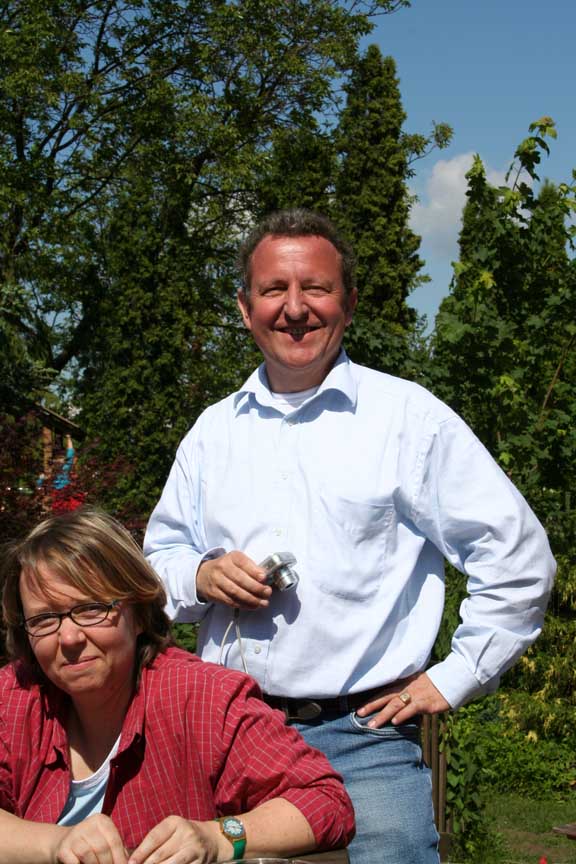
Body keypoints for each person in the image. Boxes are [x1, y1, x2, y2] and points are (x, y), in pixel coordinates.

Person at [144, 208, 556, 864]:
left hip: (363, 741)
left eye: (316, 287)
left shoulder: (408, 420)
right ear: (246, 308)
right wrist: (198, 574)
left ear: (350, 302)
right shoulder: (212, 434)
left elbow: (517, 556)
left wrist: (456, 675)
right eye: (274, 289)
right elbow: (155, 566)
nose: (295, 308)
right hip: (226, 732)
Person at [0, 507, 355, 864]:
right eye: (44, 619)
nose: (69, 637)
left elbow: (324, 801)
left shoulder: (206, 699)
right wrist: (56, 844)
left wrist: (217, 837)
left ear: (139, 613)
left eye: (91, 609)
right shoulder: (12, 698)